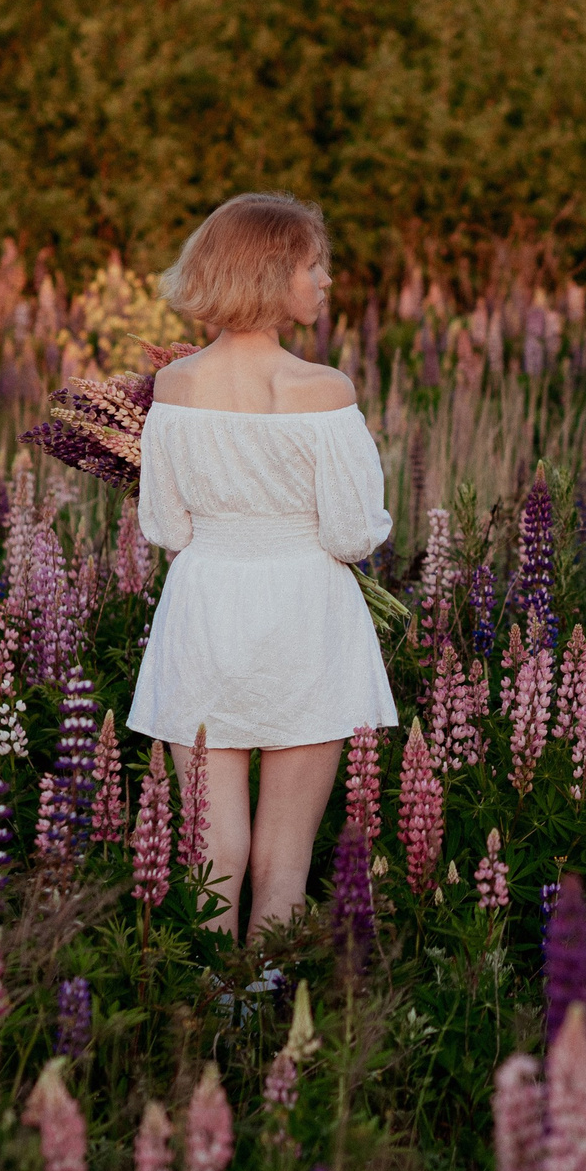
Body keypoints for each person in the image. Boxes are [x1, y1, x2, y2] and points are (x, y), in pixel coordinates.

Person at [125, 192, 396, 937]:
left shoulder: (174, 388)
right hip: (307, 617)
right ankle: (268, 1012)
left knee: (209, 852)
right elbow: (351, 535)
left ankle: (207, 1012)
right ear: (273, 275)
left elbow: (164, 524)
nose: (325, 280)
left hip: (206, 609)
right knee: (286, 856)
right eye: (314, 265)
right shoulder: (322, 390)